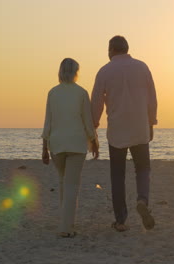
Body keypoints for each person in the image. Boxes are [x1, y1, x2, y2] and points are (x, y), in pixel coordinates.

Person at [91, 36, 158, 232]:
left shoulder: (104, 71)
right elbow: (152, 99)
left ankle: (120, 220)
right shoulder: (142, 67)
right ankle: (142, 200)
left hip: (117, 130)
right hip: (139, 127)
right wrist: (151, 123)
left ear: (111, 50)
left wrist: (93, 125)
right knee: (143, 169)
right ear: (127, 49)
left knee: (118, 175)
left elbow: (96, 102)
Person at [41, 58, 99, 238]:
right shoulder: (81, 93)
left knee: (62, 182)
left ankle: (65, 222)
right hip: (76, 143)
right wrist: (94, 141)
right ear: (75, 72)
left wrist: (44, 148)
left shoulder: (53, 93)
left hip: (57, 144)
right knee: (71, 185)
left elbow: (47, 123)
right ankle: (66, 227)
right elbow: (87, 122)